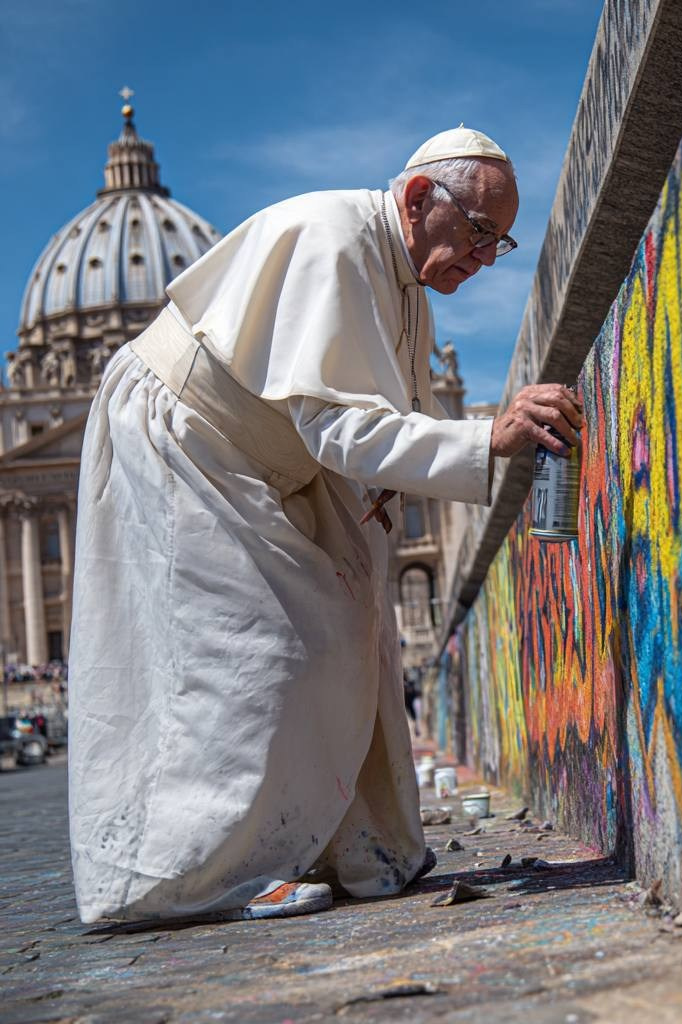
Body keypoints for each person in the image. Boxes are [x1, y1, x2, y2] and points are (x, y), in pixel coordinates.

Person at [68, 126, 584, 924]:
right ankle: (196, 876)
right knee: (254, 651)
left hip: (269, 458)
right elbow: (342, 432)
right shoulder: (338, 243)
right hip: (188, 441)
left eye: (501, 243)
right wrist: (488, 437)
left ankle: (366, 848)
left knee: (353, 628)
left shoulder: (403, 280)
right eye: (479, 233)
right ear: (419, 199)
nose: (486, 258)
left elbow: (369, 433)